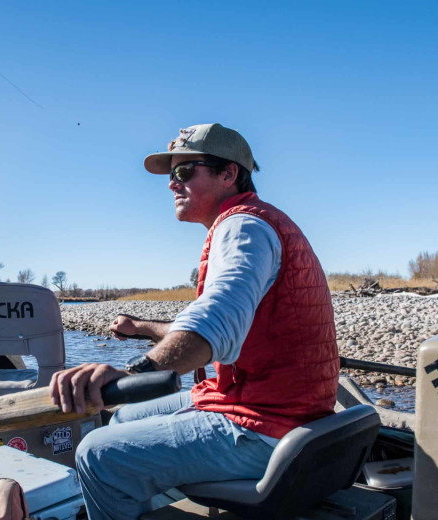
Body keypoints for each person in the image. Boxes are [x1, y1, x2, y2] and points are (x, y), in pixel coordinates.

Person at [50, 123, 339, 519]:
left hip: (265, 424)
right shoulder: (257, 222)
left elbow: (214, 322)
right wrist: (143, 328)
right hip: (268, 405)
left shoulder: (243, 227)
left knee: (97, 453)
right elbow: (221, 325)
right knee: (121, 415)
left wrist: (130, 372)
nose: (172, 184)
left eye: (185, 171)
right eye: (171, 175)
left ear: (228, 173)